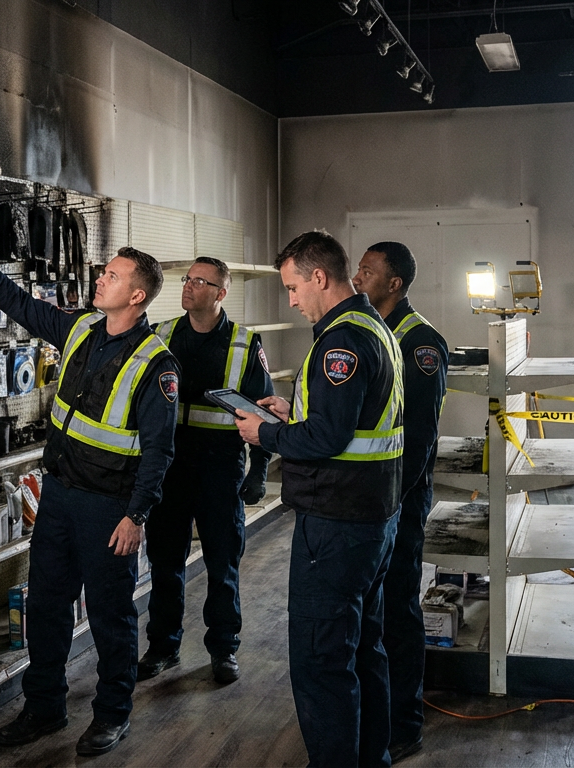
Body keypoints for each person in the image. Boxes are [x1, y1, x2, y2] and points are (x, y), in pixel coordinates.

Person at [0, 223, 178, 757]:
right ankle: (43, 708)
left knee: (112, 616)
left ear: (136, 296)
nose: (101, 278)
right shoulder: (80, 329)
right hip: (60, 497)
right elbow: (20, 304)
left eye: (112, 275)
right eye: (104, 271)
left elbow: (160, 452)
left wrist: (136, 516)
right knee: (46, 608)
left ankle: (113, 715)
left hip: (109, 509)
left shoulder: (156, 365)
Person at [236, 230, 403, 768]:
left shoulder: (338, 342)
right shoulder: (370, 325)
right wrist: (293, 413)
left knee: (320, 660)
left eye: (291, 287)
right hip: (373, 518)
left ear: (318, 277)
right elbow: (350, 421)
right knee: (363, 649)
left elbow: (329, 440)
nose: (290, 299)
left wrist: (266, 435)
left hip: (336, 523)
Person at [138, 257, 275, 685]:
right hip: (170, 471)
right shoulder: (158, 336)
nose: (190, 286)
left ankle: (223, 649)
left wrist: (260, 470)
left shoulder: (243, 343)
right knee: (165, 563)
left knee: (222, 564)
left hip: (220, 471)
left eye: (201, 281)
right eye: (188, 278)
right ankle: (163, 646)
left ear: (221, 293)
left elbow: (265, 412)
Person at [352, 242, 448, 762]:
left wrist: (392, 503)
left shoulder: (419, 342)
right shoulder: (367, 333)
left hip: (399, 502)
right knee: (370, 614)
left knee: (397, 611)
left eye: (368, 271)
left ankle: (404, 724)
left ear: (394, 284)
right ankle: (374, 715)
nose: (358, 276)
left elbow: (419, 440)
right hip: (368, 504)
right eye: (358, 267)